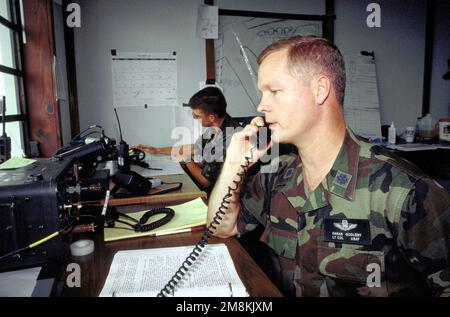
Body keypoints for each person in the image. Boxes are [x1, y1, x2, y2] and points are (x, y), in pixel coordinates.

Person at [207, 35, 450, 296]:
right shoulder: (278, 175)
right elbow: (221, 227)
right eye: (262, 93)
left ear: (320, 90)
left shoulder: (405, 192)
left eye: (274, 91)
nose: (261, 106)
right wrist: (234, 164)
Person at [137, 87, 241, 192]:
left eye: (197, 115)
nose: (193, 117)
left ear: (211, 117)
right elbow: (195, 148)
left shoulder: (227, 140)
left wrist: (186, 159)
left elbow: (205, 181)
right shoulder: (220, 123)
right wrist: (157, 150)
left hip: (226, 194)